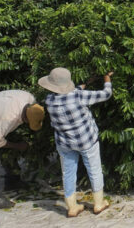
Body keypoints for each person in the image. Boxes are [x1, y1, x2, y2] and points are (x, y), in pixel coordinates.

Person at [39, 67, 114, 217]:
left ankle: (72, 207)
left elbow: (68, 94)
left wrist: (84, 84)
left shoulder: (49, 100)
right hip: (86, 141)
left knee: (68, 173)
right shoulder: (79, 96)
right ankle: (98, 204)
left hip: (65, 143)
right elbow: (106, 94)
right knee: (94, 170)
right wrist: (107, 79)